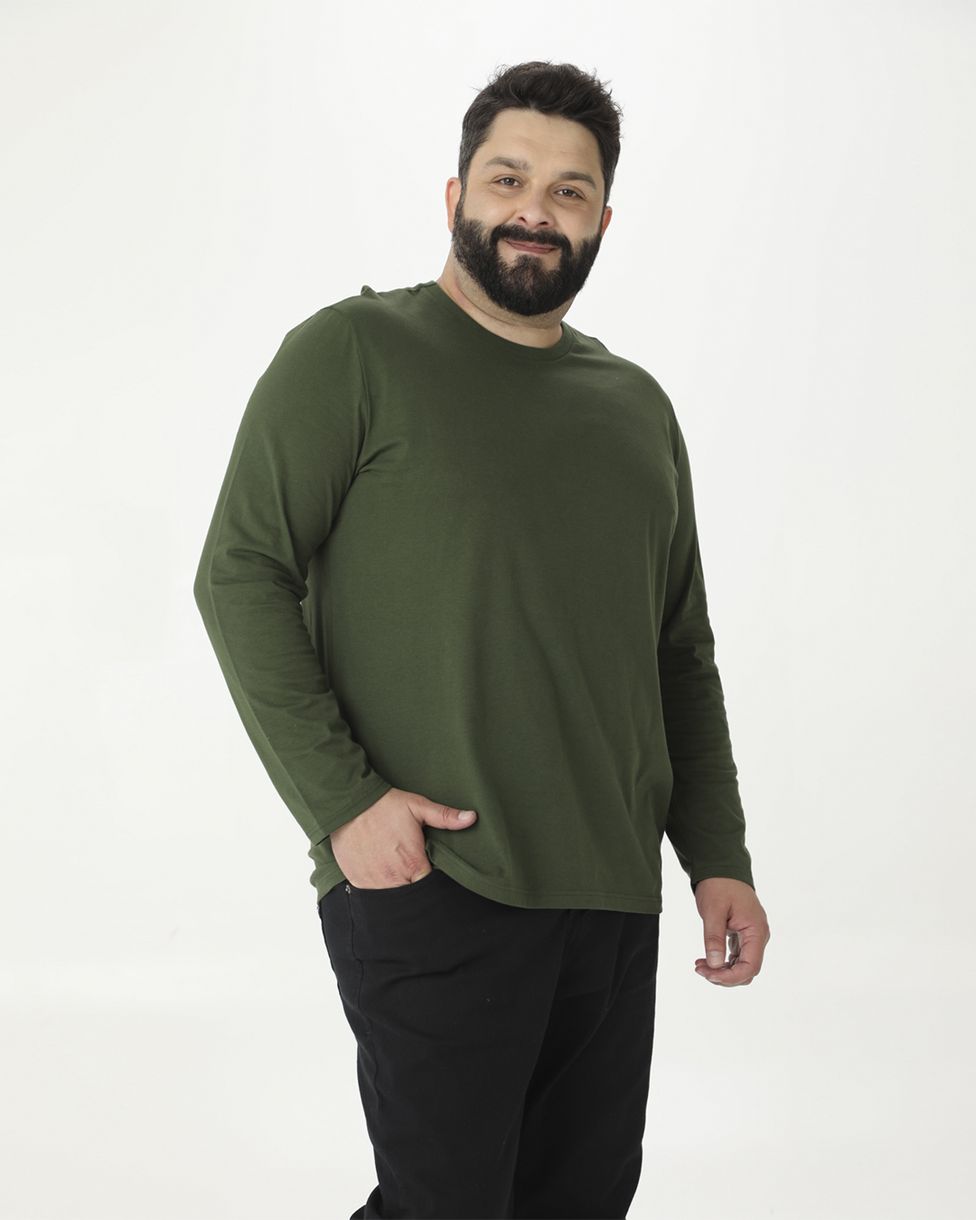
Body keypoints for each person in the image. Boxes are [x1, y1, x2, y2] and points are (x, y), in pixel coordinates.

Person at [194, 58, 770, 1220]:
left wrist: (717, 854)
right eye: (509, 178)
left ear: (601, 219)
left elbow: (678, 651)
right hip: (440, 876)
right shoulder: (353, 352)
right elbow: (240, 573)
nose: (534, 209)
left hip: (611, 896)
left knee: (576, 1203)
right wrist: (346, 806)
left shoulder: (636, 407)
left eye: (568, 190)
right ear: (455, 193)